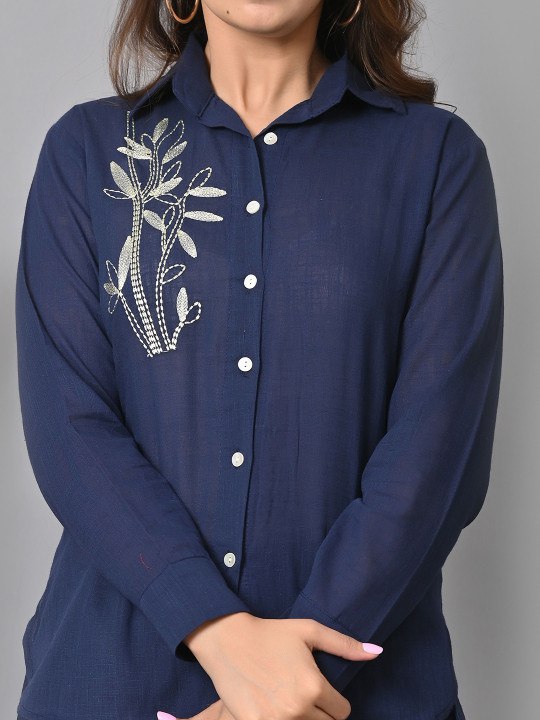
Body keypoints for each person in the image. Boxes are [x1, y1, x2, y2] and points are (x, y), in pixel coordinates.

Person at [14, 1, 503, 720]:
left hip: (364, 695)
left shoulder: (435, 160)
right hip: (111, 683)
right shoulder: (86, 152)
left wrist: (291, 687)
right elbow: (70, 428)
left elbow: (437, 456)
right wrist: (217, 633)